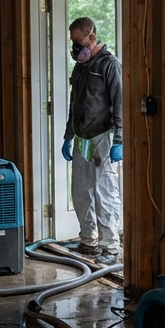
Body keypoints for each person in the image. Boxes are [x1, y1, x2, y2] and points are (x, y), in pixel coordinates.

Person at [61, 16, 123, 265]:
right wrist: (68, 134)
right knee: (81, 191)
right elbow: (74, 104)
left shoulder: (109, 65)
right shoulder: (80, 66)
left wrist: (119, 138)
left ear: (92, 38)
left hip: (103, 136)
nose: (75, 47)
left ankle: (110, 245)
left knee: (104, 191)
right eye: (73, 41)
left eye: (78, 41)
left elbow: (120, 103)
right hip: (82, 137)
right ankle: (88, 240)